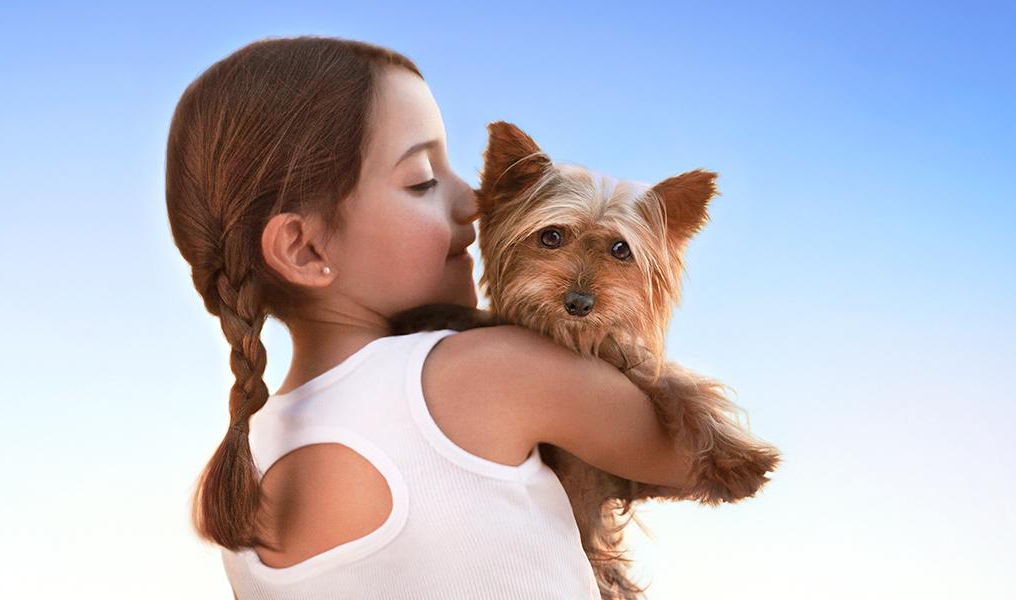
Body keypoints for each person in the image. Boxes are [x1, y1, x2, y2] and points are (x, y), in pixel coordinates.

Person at [164, 35, 695, 599]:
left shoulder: (238, 473)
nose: (473, 200)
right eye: (422, 180)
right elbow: (692, 458)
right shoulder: (486, 369)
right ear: (306, 249)